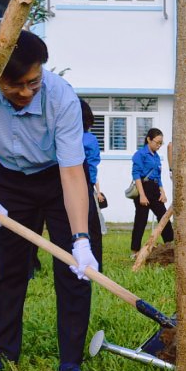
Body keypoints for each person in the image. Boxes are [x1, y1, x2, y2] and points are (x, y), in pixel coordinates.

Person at [0, 30, 98, 371]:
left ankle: (71, 363)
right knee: (9, 273)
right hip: (9, 179)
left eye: (34, 81)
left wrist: (80, 238)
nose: (27, 92)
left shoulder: (61, 96)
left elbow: (73, 172)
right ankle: (2, 356)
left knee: (74, 272)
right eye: (16, 85)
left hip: (58, 177)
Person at [130, 128, 174, 255]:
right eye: (157, 142)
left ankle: (169, 245)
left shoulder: (156, 157)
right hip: (143, 188)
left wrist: (163, 192)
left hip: (154, 189)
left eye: (161, 143)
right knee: (141, 221)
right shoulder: (140, 154)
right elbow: (136, 175)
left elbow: (158, 177)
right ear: (149, 139)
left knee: (164, 217)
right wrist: (142, 195)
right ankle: (135, 250)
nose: (159, 145)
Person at [79, 99, 105, 271]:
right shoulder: (90, 139)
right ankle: (96, 265)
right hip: (83, 185)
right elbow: (93, 165)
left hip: (58, 185)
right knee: (92, 228)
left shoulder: (61, 137)